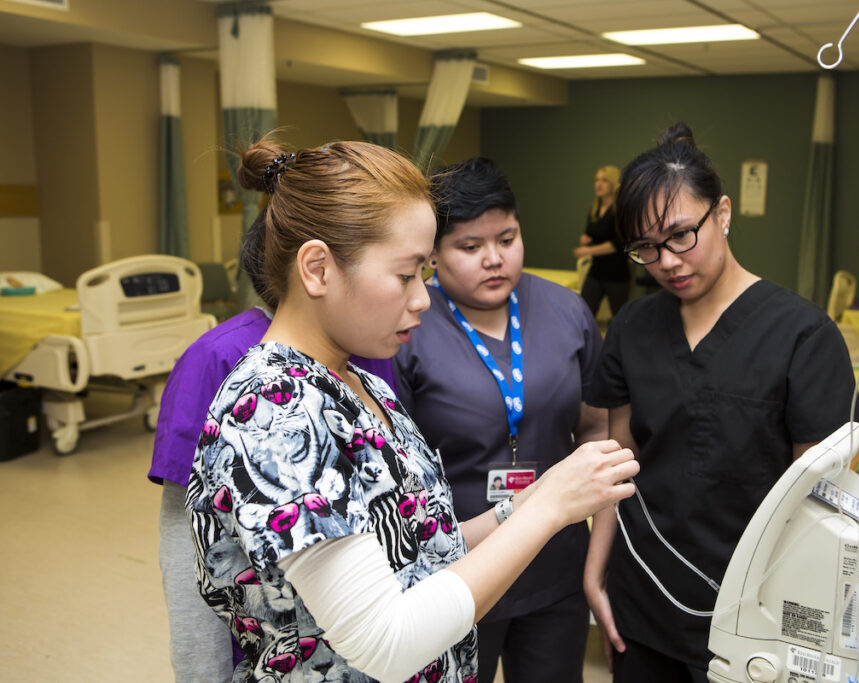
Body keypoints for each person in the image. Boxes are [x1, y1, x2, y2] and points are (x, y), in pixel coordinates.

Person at [187, 138, 639, 682]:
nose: (423, 298)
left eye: (424, 274)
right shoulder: (274, 410)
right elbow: (388, 642)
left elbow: (423, 549)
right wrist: (549, 512)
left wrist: (529, 502)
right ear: (316, 268)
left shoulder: (352, 383)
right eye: (405, 276)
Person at [582, 122, 859, 682]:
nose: (668, 262)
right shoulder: (634, 327)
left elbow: (817, 497)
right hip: (644, 595)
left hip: (757, 609)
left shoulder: (802, 335)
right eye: (647, 248)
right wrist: (595, 572)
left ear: (724, 212)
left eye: (683, 235)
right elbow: (617, 461)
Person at [148, 210, 396, 682]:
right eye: (402, 273)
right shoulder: (216, 358)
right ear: (315, 269)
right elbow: (188, 542)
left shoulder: (367, 354)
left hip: (377, 639)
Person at [393, 158, 606, 683]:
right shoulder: (406, 328)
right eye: (469, 247)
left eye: (506, 238)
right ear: (433, 255)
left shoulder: (567, 312)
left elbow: (597, 428)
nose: (494, 259)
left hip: (555, 565)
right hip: (455, 572)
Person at [574, 165, 632, 317]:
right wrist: (587, 239)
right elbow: (590, 233)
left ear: (613, 183)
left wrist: (589, 250)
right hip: (596, 271)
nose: (598, 184)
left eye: (604, 180)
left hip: (616, 274)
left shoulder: (621, 209)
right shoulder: (594, 209)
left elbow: (618, 243)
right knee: (584, 312)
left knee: (620, 318)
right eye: (597, 180)